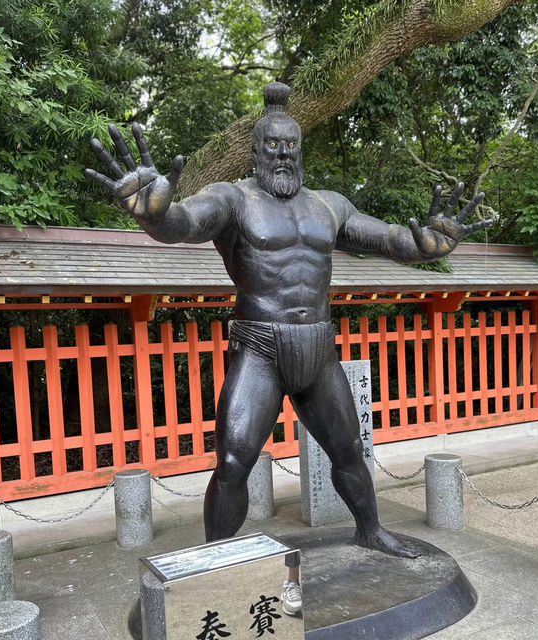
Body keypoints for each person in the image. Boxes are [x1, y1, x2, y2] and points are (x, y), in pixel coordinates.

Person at [85, 82, 490, 561]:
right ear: (255, 151)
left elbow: (388, 239)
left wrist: (425, 245)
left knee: (349, 451)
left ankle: (371, 530)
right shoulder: (233, 198)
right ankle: (216, 557)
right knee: (234, 460)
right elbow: (184, 223)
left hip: (317, 346)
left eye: (290, 146)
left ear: (301, 150)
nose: (282, 155)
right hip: (261, 345)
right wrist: (155, 216)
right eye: (272, 146)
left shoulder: (329, 205)